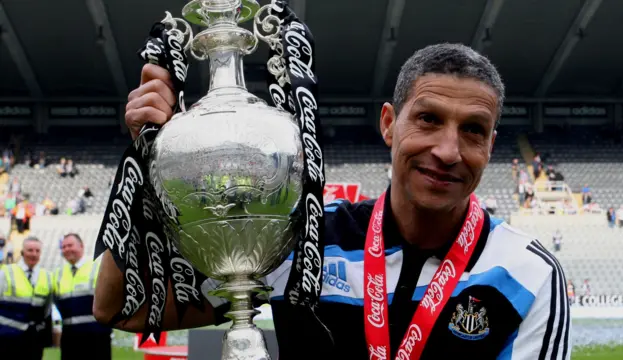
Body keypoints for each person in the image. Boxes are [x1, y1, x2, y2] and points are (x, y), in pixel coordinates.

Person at [94, 43, 571, 359]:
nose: (448, 151)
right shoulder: (302, 241)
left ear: (490, 146)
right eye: (428, 119)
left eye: (473, 130)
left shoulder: (528, 274)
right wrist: (148, 159)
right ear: (389, 124)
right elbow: (121, 308)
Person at [54, 233, 112, 360]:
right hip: (70, 339)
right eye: (63, 247)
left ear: (81, 246)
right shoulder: (58, 274)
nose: (67, 249)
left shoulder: (98, 267)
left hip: (97, 337)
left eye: (70, 245)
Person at [0, 236, 54, 360]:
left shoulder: (48, 276)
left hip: (33, 340)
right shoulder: (6, 272)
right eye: (30, 250)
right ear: (22, 252)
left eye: (37, 251)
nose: (34, 254)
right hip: (6, 338)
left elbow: (47, 310)